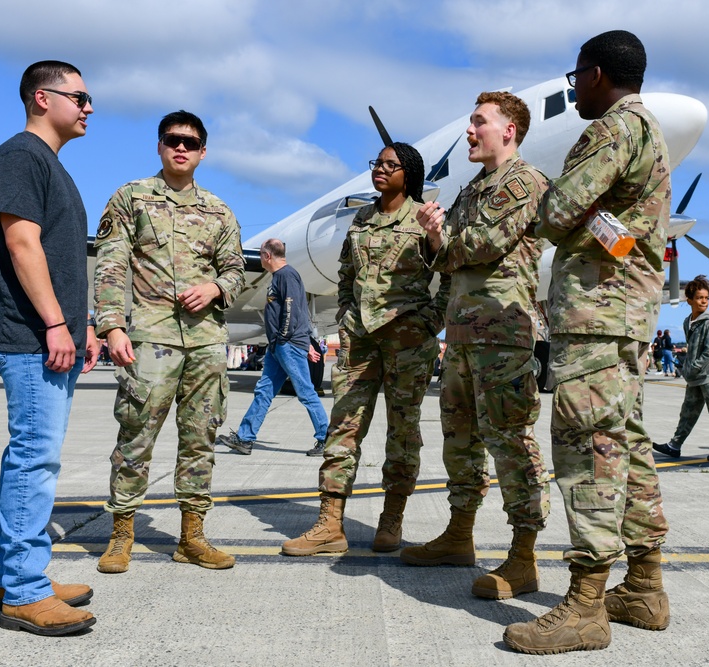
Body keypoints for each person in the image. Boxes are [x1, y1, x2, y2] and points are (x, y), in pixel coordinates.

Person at [503, 31, 672, 655]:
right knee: (627, 444)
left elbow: (555, 214)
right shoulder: (647, 131)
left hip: (596, 315)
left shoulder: (609, 131)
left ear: (596, 74)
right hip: (626, 316)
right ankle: (645, 585)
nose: (574, 89)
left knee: (587, 449)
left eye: (576, 78)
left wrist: (547, 192)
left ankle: (585, 602)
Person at [403, 91, 551, 602]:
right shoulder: (474, 188)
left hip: (502, 334)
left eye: (478, 122)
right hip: (464, 333)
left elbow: (479, 245)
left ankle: (524, 556)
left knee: (509, 438)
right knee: (460, 438)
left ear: (509, 130)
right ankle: (459, 536)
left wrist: (440, 240)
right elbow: (444, 260)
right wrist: (432, 237)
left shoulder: (523, 181)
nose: (469, 131)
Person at [93, 110, 246, 575]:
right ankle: (121, 534)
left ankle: (192, 537)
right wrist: (112, 326)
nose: (181, 147)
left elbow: (236, 269)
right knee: (136, 436)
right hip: (151, 338)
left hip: (205, 342)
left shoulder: (219, 211)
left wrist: (216, 289)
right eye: (173, 139)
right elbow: (111, 264)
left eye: (191, 142)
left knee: (201, 437)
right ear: (160, 146)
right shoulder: (131, 198)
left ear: (203, 151)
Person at [0, 60, 100, 636]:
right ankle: (24, 592)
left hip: (51, 337)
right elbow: (22, 243)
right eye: (80, 96)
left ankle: (16, 574)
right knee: (35, 459)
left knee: (34, 457)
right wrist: (54, 324)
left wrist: (83, 327)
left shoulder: (48, 165)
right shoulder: (22, 156)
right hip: (30, 339)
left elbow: (63, 260)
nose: (88, 107)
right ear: (41, 98)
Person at [281, 142, 449, 557]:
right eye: (377, 163)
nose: (379, 169)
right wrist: (345, 313)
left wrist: (431, 321)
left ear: (407, 173)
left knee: (403, 432)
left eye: (390, 165)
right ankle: (330, 524)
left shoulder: (424, 218)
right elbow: (346, 272)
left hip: (408, 341)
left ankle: (391, 520)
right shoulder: (363, 217)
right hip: (360, 339)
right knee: (343, 428)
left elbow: (450, 275)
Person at [217, 239, 328, 456]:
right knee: (264, 391)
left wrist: (289, 339)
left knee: (306, 392)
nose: (260, 260)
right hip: (278, 346)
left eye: (260, 255)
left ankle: (326, 438)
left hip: (286, 345)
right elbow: (298, 311)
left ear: (267, 256)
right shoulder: (279, 277)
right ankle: (245, 438)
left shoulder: (286, 275)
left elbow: (293, 310)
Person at [653, 276, 709, 462]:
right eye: (700, 297)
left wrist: (690, 367)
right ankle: (675, 445)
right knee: (688, 411)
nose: (704, 301)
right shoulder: (688, 322)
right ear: (689, 300)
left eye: (706, 298)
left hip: (707, 375)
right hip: (694, 376)